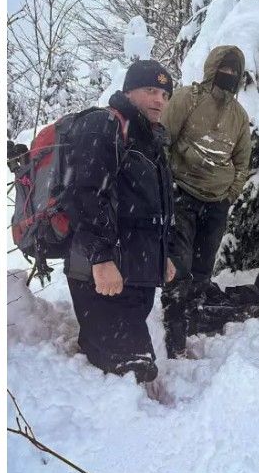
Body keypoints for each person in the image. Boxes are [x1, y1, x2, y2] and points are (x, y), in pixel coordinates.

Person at [63, 59, 176, 383]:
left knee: (137, 366)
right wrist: (100, 258)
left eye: (165, 95)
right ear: (129, 91)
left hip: (134, 276)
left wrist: (162, 256)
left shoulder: (151, 142)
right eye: (151, 90)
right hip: (101, 277)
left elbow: (151, 209)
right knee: (133, 371)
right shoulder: (105, 125)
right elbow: (84, 195)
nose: (159, 100)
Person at [158, 45, 250, 357]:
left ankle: (192, 314)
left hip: (216, 203)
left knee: (202, 267)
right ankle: (174, 326)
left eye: (234, 71)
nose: (229, 75)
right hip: (182, 194)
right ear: (212, 68)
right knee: (179, 266)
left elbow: (242, 161)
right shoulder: (188, 97)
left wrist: (230, 194)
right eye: (224, 68)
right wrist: (167, 185)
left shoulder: (239, 116)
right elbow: (163, 138)